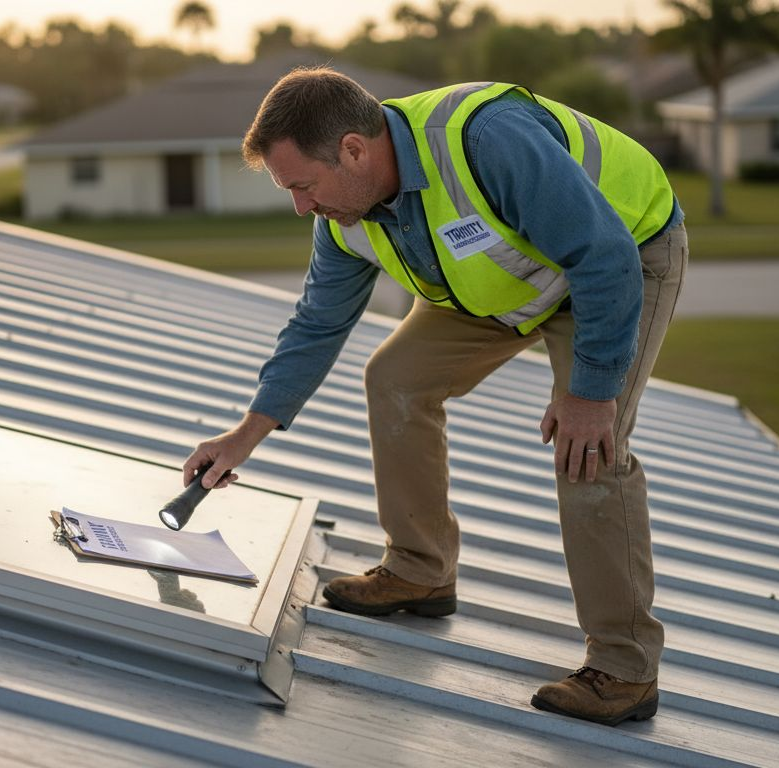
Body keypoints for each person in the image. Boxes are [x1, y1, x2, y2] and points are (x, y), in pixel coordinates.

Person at [182, 66, 687, 727]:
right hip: (507, 284)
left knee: (590, 448)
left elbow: (603, 258)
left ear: (354, 150)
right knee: (395, 377)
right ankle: (420, 568)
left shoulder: (486, 141)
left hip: (622, 257)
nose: (300, 206)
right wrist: (243, 434)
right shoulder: (342, 215)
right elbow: (317, 323)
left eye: (303, 186)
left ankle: (624, 669)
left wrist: (592, 396)